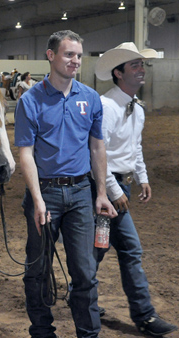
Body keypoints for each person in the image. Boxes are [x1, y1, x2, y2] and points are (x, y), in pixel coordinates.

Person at [14, 30, 117, 338]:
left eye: (79, 56)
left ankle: (89, 334)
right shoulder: (30, 101)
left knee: (85, 272)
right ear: (51, 56)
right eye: (69, 54)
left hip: (81, 194)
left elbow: (97, 148)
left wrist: (101, 193)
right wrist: (38, 199)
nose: (75, 61)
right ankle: (43, 332)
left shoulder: (90, 98)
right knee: (37, 270)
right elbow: (26, 154)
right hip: (44, 194)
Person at [94, 42, 178, 336]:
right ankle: (145, 316)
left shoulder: (137, 109)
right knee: (130, 249)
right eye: (135, 66)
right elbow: (96, 152)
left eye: (142, 65)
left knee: (98, 248)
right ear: (118, 73)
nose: (142, 70)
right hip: (106, 189)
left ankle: (79, 294)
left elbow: (135, 147)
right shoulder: (106, 106)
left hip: (121, 187)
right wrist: (113, 190)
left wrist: (142, 177)